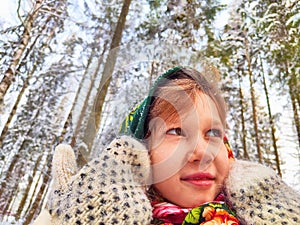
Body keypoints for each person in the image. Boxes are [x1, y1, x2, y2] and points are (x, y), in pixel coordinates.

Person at [33, 66, 300, 225]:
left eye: (213, 133)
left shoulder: (261, 209)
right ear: (140, 155)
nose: (202, 153)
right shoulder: (95, 211)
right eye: (175, 131)